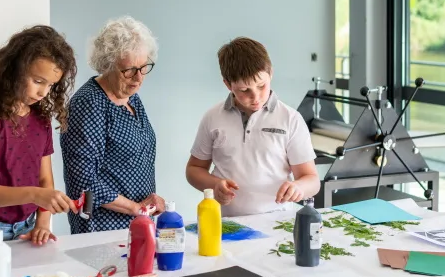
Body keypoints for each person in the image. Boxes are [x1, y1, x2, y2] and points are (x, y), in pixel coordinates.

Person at [0, 25, 79, 244]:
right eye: (38, 81)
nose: (43, 92)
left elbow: (44, 180)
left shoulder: (41, 120)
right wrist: (34, 195)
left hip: (27, 227)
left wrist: (42, 222)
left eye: (51, 85)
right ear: (14, 70)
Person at [186, 36, 320, 216]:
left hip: (277, 222)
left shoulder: (291, 119)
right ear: (227, 84)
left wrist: (298, 187)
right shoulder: (212, 117)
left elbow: (311, 179)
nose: (255, 97)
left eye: (261, 85)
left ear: (270, 73)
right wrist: (214, 185)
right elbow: (194, 169)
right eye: (244, 90)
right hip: (227, 223)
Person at [61, 16, 166, 234]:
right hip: (101, 227)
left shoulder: (131, 98)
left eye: (144, 67)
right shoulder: (88, 104)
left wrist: (147, 203)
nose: (138, 78)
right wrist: (135, 208)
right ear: (107, 64)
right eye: (128, 70)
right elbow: (84, 182)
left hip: (136, 223)